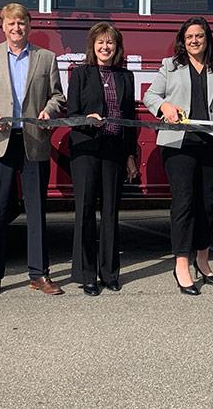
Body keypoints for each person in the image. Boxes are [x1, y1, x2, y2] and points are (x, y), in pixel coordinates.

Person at [0, 3, 66, 300]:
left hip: (33, 141)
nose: (16, 28)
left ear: (29, 25)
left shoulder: (46, 58)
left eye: (21, 23)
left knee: (36, 210)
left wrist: (50, 111)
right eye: (11, 23)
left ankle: (39, 274)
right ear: (3, 26)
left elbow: (57, 96)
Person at [143, 16, 213, 296]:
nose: (194, 41)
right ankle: (181, 264)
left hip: (209, 142)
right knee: (184, 204)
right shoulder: (169, 66)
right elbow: (150, 96)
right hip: (178, 145)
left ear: (207, 39)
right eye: (189, 37)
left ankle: (203, 261)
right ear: (182, 41)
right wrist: (165, 108)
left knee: (207, 204)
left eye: (199, 36)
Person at [66, 22, 139, 296]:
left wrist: (130, 155)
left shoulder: (125, 77)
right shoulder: (81, 73)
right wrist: (87, 120)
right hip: (86, 148)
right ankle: (87, 275)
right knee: (85, 210)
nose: (105, 47)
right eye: (100, 42)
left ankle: (109, 273)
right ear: (93, 46)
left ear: (117, 47)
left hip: (114, 149)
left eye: (110, 42)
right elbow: (72, 112)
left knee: (110, 212)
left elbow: (130, 118)